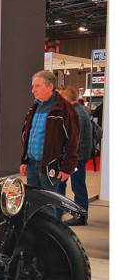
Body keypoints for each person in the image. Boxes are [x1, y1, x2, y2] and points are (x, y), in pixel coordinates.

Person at [19, 70, 79, 216]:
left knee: (48, 204)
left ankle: (49, 230)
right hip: (32, 164)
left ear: (50, 86)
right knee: (31, 202)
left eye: (37, 86)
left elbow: (72, 139)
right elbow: (27, 134)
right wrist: (25, 160)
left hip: (51, 165)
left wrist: (67, 167)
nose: (33, 90)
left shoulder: (64, 109)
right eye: (33, 86)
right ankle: (34, 229)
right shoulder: (34, 107)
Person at [56, 86, 91, 225]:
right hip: (79, 155)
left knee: (77, 186)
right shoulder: (80, 110)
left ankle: (79, 216)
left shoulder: (75, 113)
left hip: (76, 156)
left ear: (65, 98)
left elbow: (75, 138)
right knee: (77, 185)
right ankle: (79, 215)